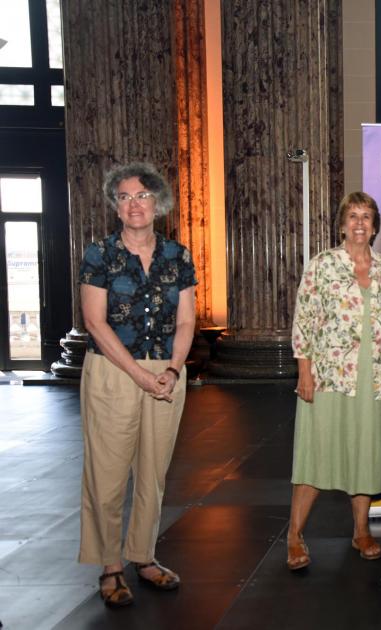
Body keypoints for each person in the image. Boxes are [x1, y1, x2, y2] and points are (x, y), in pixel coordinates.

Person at [78, 162, 197, 607]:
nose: (134, 204)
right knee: (107, 474)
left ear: (158, 203)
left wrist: (172, 369)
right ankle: (110, 565)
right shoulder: (100, 254)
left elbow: (187, 319)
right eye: (125, 197)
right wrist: (139, 374)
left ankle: (143, 556)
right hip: (113, 371)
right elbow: (94, 321)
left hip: (167, 371)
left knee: (153, 471)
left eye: (142, 196)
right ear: (115, 205)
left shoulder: (177, 255)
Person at [286, 192, 381, 570]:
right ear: (341, 224)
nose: (359, 223)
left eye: (366, 216)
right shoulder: (321, 265)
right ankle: (294, 535)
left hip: (377, 378)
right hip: (329, 376)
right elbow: (303, 321)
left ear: (375, 226)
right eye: (352, 216)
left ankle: (361, 531)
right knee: (316, 453)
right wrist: (304, 371)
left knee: (366, 454)